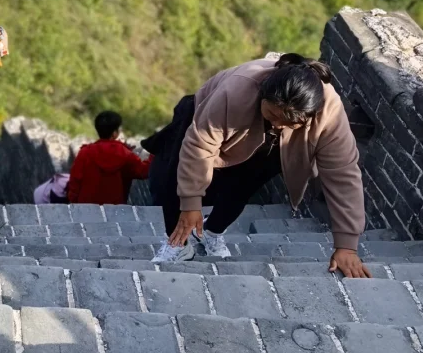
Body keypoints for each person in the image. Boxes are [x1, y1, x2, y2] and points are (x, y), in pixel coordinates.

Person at [144, 53, 370, 277]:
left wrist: (346, 246)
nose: (279, 125)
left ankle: (211, 233)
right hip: (207, 120)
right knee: (175, 183)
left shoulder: (329, 113)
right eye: (273, 114)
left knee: (242, 187)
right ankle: (178, 245)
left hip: (274, 146)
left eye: (290, 123)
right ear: (263, 96)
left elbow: (343, 173)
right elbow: (199, 146)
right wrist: (191, 202)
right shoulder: (238, 89)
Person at [67, 110, 150, 205]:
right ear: (115, 133)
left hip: (86, 209)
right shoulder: (124, 153)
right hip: (115, 211)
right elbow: (143, 171)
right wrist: (155, 153)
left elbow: (75, 181)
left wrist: (74, 202)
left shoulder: (85, 152)